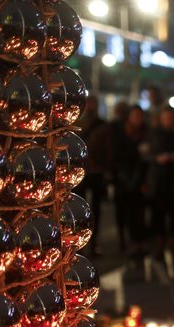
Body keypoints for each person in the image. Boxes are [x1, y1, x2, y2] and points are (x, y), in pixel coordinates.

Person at [148, 107, 174, 259]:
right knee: (158, 213)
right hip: (158, 179)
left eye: (170, 117)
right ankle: (159, 244)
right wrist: (157, 158)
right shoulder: (154, 134)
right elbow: (147, 153)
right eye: (165, 118)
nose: (168, 120)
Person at [111, 105, 150, 254]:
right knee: (122, 210)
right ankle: (124, 240)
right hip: (122, 177)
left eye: (140, 116)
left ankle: (138, 240)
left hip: (139, 177)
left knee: (138, 211)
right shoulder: (120, 131)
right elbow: (116, 154)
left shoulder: (146, 132)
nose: (137, 119)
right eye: (135, 116)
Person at [75, 95, 108, 257]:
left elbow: (107, 149)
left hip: (96, 171)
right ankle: (80, 243)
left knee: (95, 210)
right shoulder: (78, 123)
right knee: (80, 209)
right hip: (82, 171)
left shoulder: (102, 125)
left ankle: (94, 244)